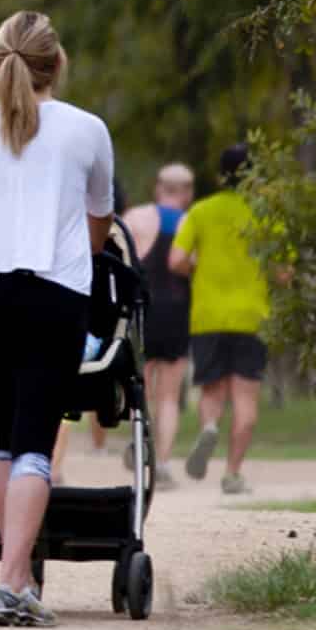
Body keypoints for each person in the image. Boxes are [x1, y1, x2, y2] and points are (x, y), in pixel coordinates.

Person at [0, 10, 114, 629]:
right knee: (35, 442)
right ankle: (11, 585)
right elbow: (99, 220)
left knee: (4, 439)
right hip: (54, 294)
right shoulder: (87, 130)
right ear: (58, 61)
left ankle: (16, 577)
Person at [170, 144, 269, 495]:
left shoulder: (201, 211)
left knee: (212, 389)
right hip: (252, 316)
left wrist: (198, 268)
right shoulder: (266, 213)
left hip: (208, 316)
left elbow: (176, 260)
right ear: (254, 176)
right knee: (245, 398)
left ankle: (209, 426)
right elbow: (285, 271)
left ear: (219, 176)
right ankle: (232, 474)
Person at [119, 163, 194, 486]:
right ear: (188, 193)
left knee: (142, 385)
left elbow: (122, 261)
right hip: (177, 311)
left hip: (143, 309)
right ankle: (162, 463)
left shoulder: (135, 218)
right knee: (170, 395)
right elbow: (193, 266)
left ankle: (140, 441)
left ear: (158, 188)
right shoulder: (191, 223)